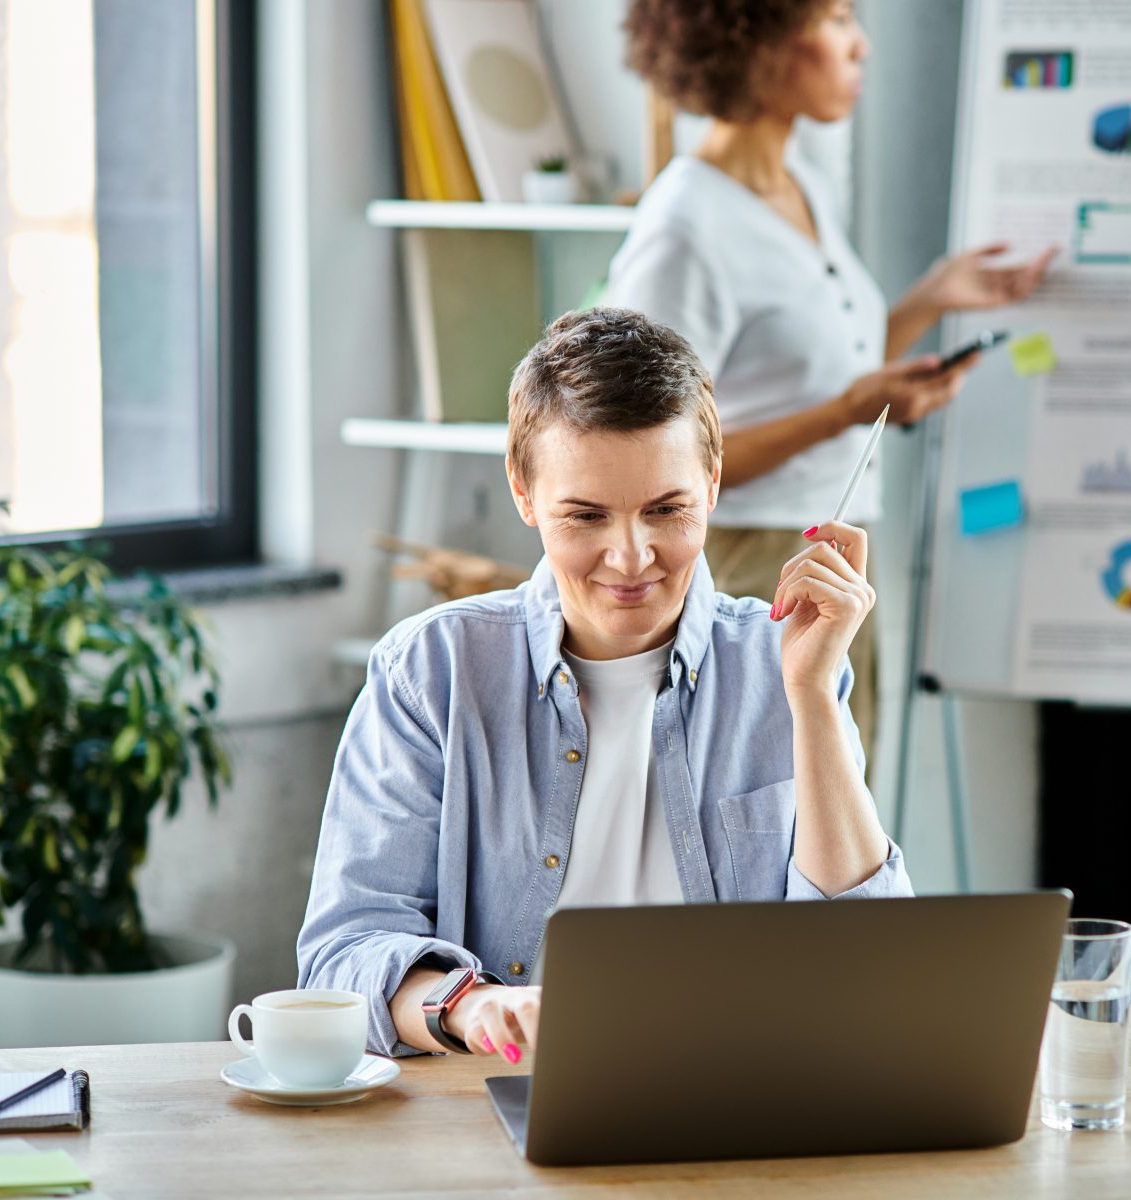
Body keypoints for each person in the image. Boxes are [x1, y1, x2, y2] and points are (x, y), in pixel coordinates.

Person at [297, 308, 910, 1063]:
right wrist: (471, 1003)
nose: (631, 558)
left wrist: (811, 697)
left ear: (712, 484)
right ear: (524, 494)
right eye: (586, 516)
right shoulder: (431, 672)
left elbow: (865, 961)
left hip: (740, 1098)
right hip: (501, 1108)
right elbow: (344, 954)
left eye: (668, 510)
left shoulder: (781, 659)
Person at [608, 0, 1056, 756]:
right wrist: (843, 414)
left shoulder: (802, 187)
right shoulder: (685, 228)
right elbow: (646, 461)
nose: (863, 47)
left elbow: (818, 368)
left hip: (832, 551)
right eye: (839, 19)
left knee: (840, 824)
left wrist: (933, 297)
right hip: (754, 568)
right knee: (777, 830)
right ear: (761, 37)